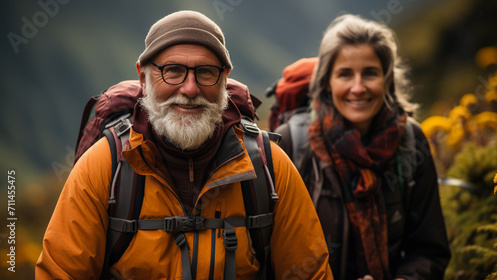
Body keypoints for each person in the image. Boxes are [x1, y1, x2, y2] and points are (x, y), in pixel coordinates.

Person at [35, 10, 333, 279]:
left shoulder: (270, 167)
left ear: (224, 80)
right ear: (144, 77)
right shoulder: (105, 166)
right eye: (173, 71)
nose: (190, 89)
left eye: (205, 72)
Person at [275, 14, 450, 280]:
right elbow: (269, 256)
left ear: (387, 79)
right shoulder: (290, 144)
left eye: (370, 73)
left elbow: (429, 250)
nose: (358, 88)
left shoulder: (411, 142)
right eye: (345, 74)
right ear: (327, 82)